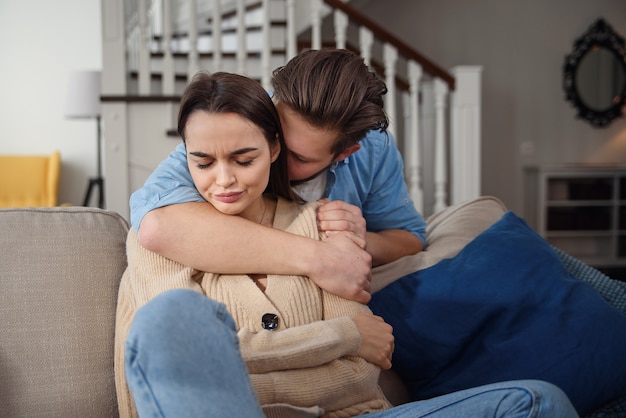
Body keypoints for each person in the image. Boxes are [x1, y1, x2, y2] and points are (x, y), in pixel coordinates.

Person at [115, 71, 579, 417]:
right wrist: (345, 336)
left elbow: (359, 376)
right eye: (203, 161)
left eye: (245, 157)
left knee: (541, 401)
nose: (224, 179)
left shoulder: (328, 220)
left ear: (270, 148)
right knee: (170, 323)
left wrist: (349, 244)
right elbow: (175, 364)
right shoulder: (169, 212)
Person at [130, 48, 425, 304]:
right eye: (273, 137)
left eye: (299, 157)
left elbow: (409, 240)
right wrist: (320, 256)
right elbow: (157, 223)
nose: (275, 152)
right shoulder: (239, 121)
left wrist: (357, 240)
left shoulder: (373, 150)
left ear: (344, 153)